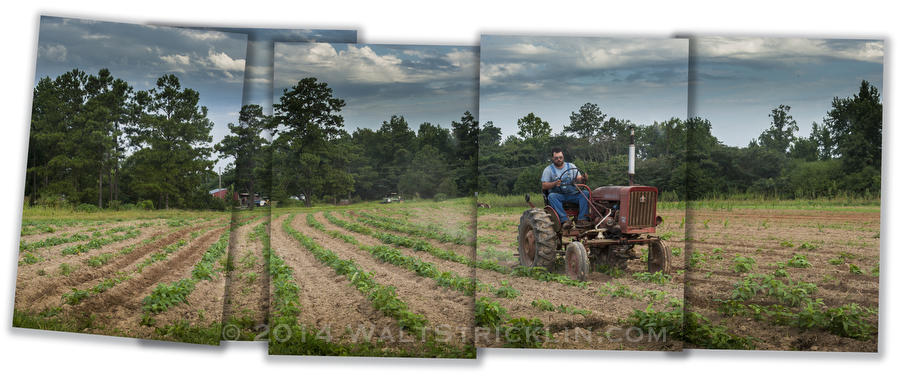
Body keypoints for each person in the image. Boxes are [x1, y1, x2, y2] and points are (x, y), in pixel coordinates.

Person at [541, 147, 591, 229]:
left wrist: (583, 177)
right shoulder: (548, 170)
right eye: (556, 158)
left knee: (585, 193)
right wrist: (554, 183)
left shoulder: (571, 166)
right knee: (551, 196)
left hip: (572, 194)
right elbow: (544, 185)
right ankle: (565, 220)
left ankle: (582, 219)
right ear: (552, 158)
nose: (559, 159)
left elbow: (578, 178)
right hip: (559, 196)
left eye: (560, 157)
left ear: (563, 157)